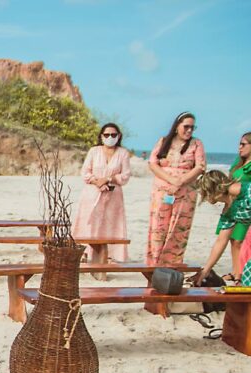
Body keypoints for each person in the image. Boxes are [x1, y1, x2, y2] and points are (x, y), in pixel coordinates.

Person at [145, 111, 206, 265]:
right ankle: (154, 265)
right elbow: (153, 163)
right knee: (158, 228)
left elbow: (200, 166)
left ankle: (171, 265)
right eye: (186, 126)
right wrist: (171, 180)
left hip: (185, 193)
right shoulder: (163, 141)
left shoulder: (196, 144)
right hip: (162, 191)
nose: (189, 131)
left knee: (178, 229)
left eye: (193, 127)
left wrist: (180, 182)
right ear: (177, 126)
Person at [71, 123, 131, 263]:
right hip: (92, 193)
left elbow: (126, 175)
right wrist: (96, 181)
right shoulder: (94, 151)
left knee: (111, 223)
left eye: (113, 135)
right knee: (88, 222)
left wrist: (109, 179)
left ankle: (110, 254)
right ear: (101, 136)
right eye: (107, 135)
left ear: (119, 136)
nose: (110, 137)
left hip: (113, 194)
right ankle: (84, 252)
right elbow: (85, 171)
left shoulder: (123, 153)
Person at [193, 170, 251, 285]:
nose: (205, 199)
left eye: (205, 194)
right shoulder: (228, 211)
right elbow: (221, 241)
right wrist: (206, 271)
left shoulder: (243, 190)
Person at [222, 132, 251, 280]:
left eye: (243, 144)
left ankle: (240, 274)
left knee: (240, 241)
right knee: (234, 240)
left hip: (246, 207)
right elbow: (229, 178)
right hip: (234, 205)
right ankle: (236, 272)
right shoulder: (238, 162)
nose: (240, 147)